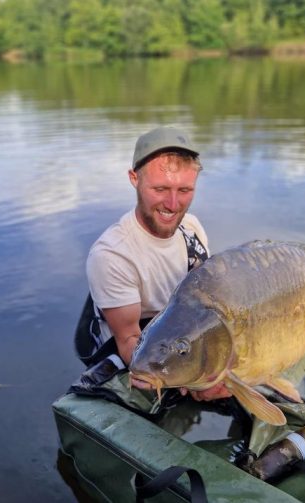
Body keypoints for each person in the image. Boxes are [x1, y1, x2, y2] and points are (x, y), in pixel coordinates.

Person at [83, 126, 230, 402]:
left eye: (184, 190)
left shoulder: (191, 228)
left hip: (181, 336)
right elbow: (128, 341)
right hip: (139, 350)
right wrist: (195, 381)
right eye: (160, 189)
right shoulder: (112, 255)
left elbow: (208, 304)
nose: (173, 204)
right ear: (134, 178)